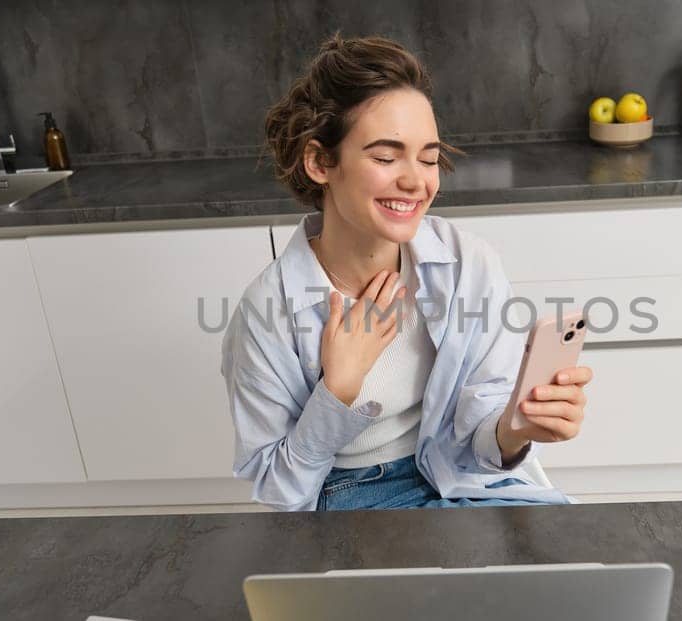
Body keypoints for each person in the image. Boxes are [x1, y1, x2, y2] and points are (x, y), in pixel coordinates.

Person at [221, 34, 593, 511]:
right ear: (319, 162)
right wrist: (337, 391)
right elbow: (279, 490)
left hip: (460, 477)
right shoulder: (266, 312)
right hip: (354, 494)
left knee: (573, 564)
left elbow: (481, 432)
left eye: (429, 157)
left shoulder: (467, 262)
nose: (416, 180)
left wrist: (514, 430)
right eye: (384, 156)